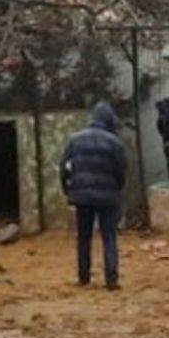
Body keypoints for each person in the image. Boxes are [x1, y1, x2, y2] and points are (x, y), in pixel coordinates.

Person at [60, 101, 126, 290]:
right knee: (109, 238)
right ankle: (111, 280)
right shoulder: (114, 142)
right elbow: (121, 171)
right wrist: (117, 189)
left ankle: (84, 277)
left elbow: (64, 167)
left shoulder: (75, 140)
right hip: (107, 198)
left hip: (82, 197)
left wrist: (68, 190)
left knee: (83, 237)